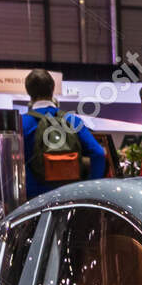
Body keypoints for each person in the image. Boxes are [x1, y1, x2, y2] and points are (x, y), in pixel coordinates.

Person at [21, 69, 105, 197]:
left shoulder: (22, 123)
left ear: (28, 92)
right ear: (52, 89)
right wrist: (90, 189)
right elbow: (98, 153)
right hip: (69, 196)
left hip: (34, 200)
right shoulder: (72, 120)